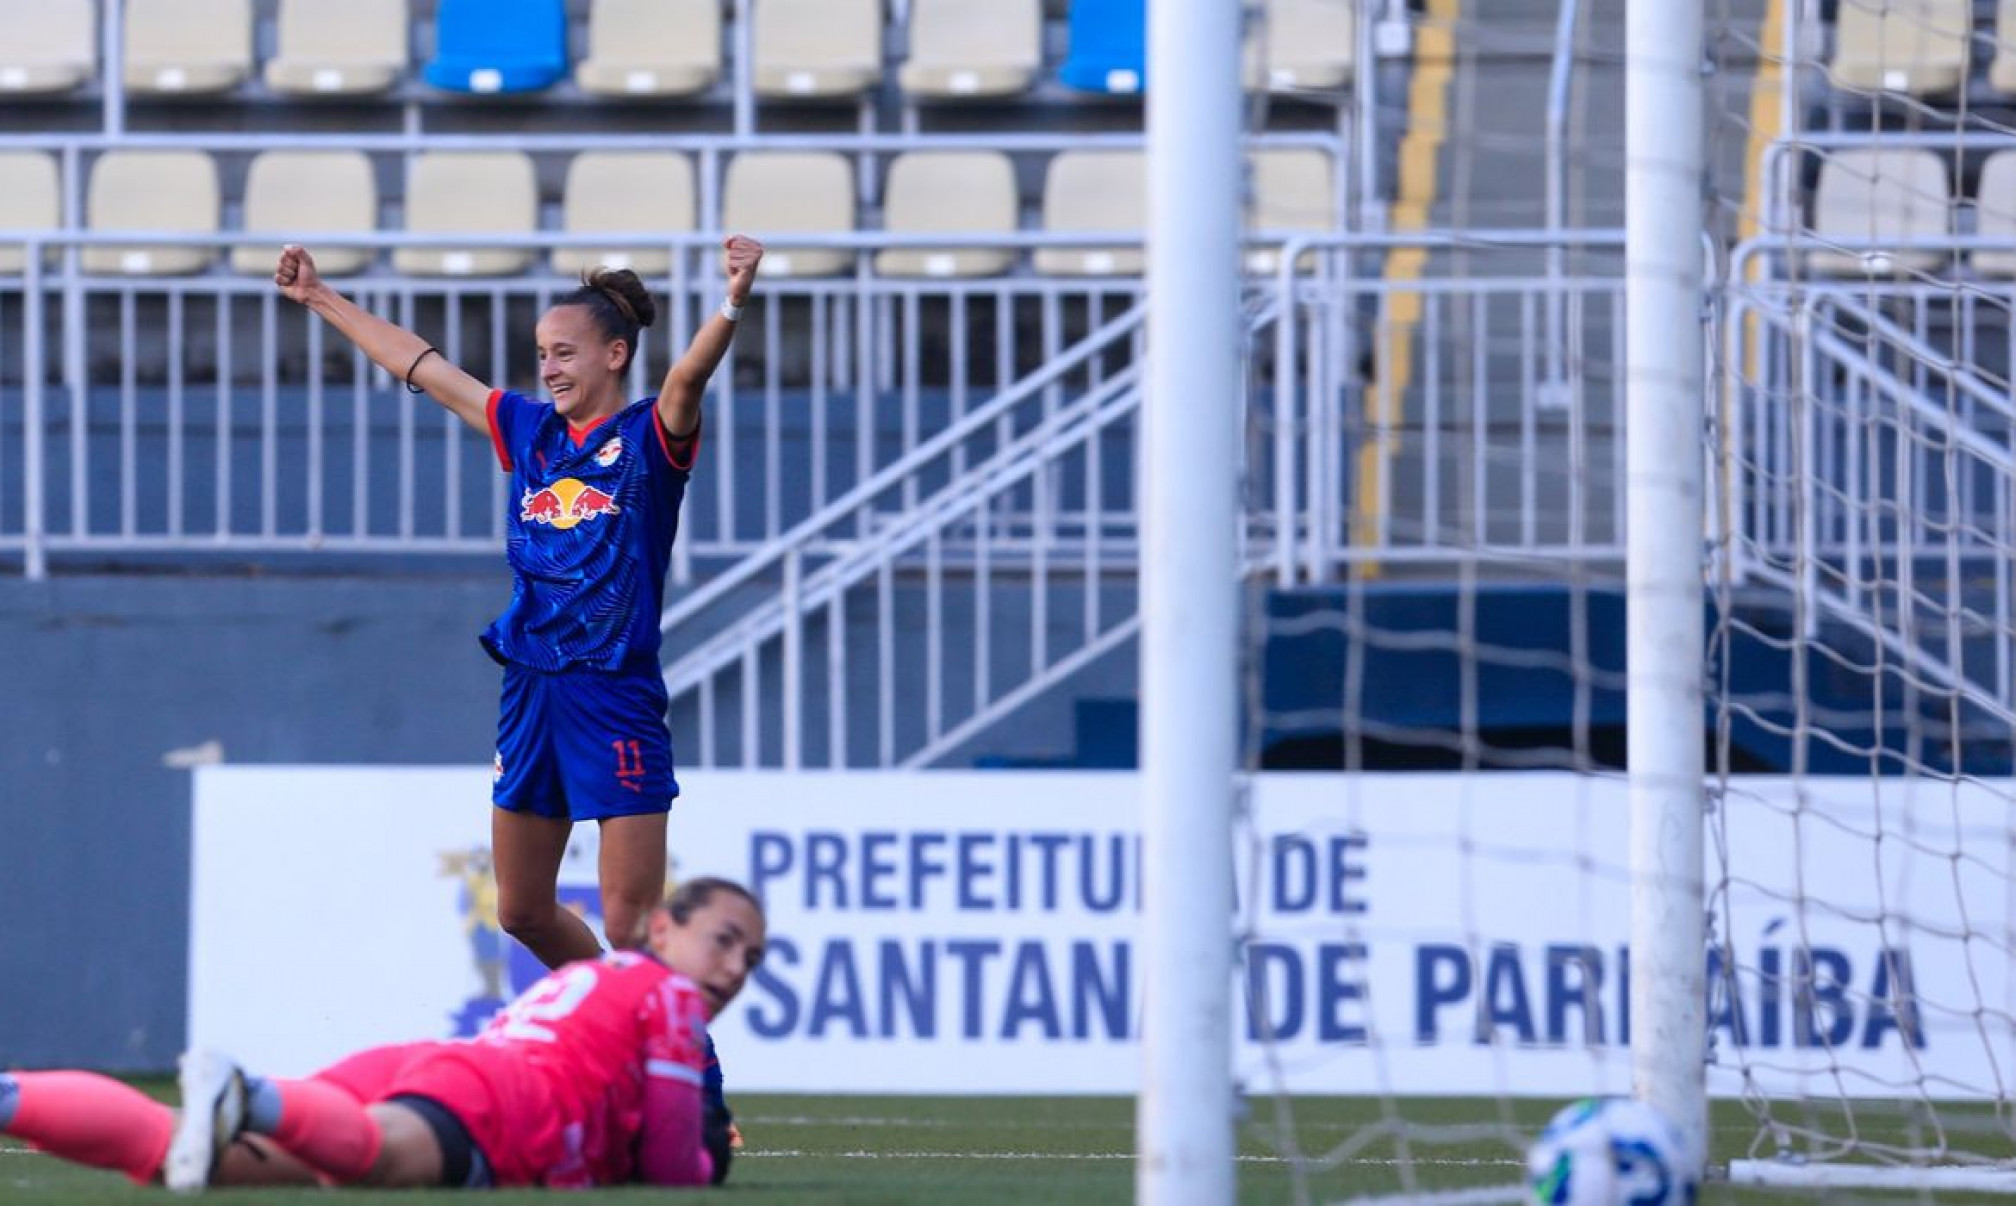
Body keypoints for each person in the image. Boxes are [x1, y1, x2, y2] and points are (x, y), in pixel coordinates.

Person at [271, 236, 764, 971]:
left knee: (630, 927)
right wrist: (319, 296)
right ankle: (607, 1014)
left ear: (616, 355)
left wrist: (732, 301)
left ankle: (675, 1043)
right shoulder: (530, 432)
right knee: (522, 911)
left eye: (564, 352)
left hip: (614, 693)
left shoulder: (648, 438)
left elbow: (689, 376)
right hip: (531, 689)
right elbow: (423, 367)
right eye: (542, 354)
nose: (549, 367)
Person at [0, 877, 765, 1192]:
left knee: (181, 1150)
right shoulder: (670, 993)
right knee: (379, 1155)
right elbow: (672, 1168)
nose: (733, 969)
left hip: (440, 1068)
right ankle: (247, 1094)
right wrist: (702, 1156)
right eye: (723, 941)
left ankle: (9, 1098)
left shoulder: (595, 976)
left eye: (752, 959)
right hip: (503, 1103)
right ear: (661, 930)